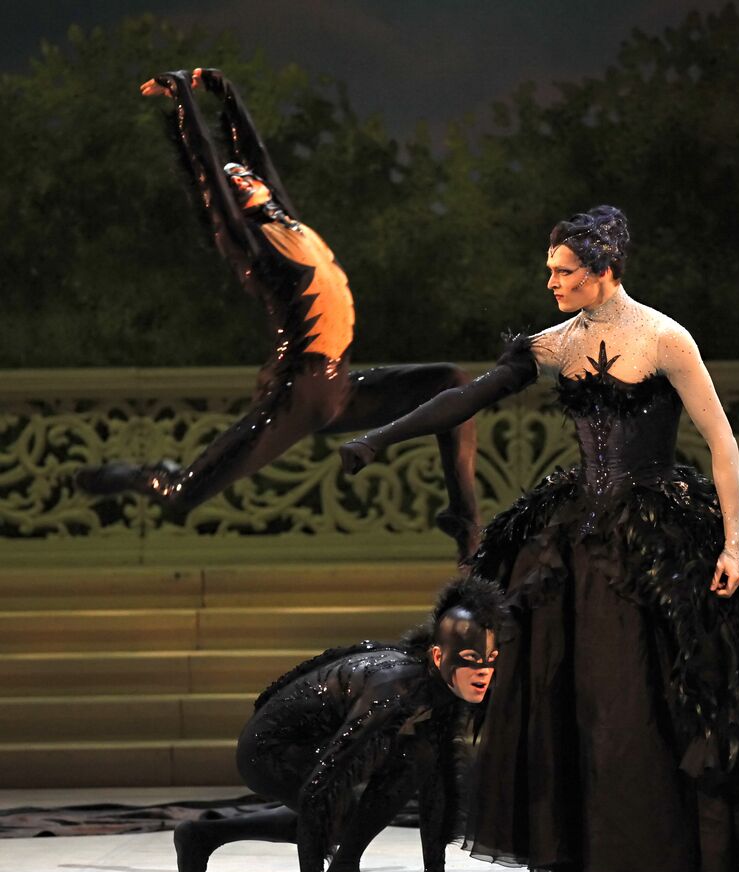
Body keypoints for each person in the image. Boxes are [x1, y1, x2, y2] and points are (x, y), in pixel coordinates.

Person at [340, 205, 739, 872]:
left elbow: (722, 440)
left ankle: (685, 848)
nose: (551, 282)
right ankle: (576, 849)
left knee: (666, 689)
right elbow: (466, 399)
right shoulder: (554, 343)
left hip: (658, 532)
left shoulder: (665, 337)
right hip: (578, 532)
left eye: (564, 272)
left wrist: (733, 545)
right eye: (549, 270)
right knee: (571, 688)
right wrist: (378, 439)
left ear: (604, 271)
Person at [74, 68, 482, 564]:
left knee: (454, 384)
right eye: (234, 182)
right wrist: (183, 96)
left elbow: (253, 155)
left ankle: (464, 521)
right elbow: (207, 167)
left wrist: (226, 95)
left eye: (244, 175)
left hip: (341, 388)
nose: (241, 175)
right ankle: (146, 475)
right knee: (183, 493)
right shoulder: (255, 245)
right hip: (297, 391)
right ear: (234, 206)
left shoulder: (289, 223)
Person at [173, 576, 510, 872]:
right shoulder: (394, 689)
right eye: (470, 659)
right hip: (267, 750)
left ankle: (203, 836)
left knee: (419, 757)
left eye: (491, 661)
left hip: (311, 740)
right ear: (438, 657)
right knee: (343, 807)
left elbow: (439, 779)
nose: (483, 672)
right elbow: (323, 785)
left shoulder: (441, 688)